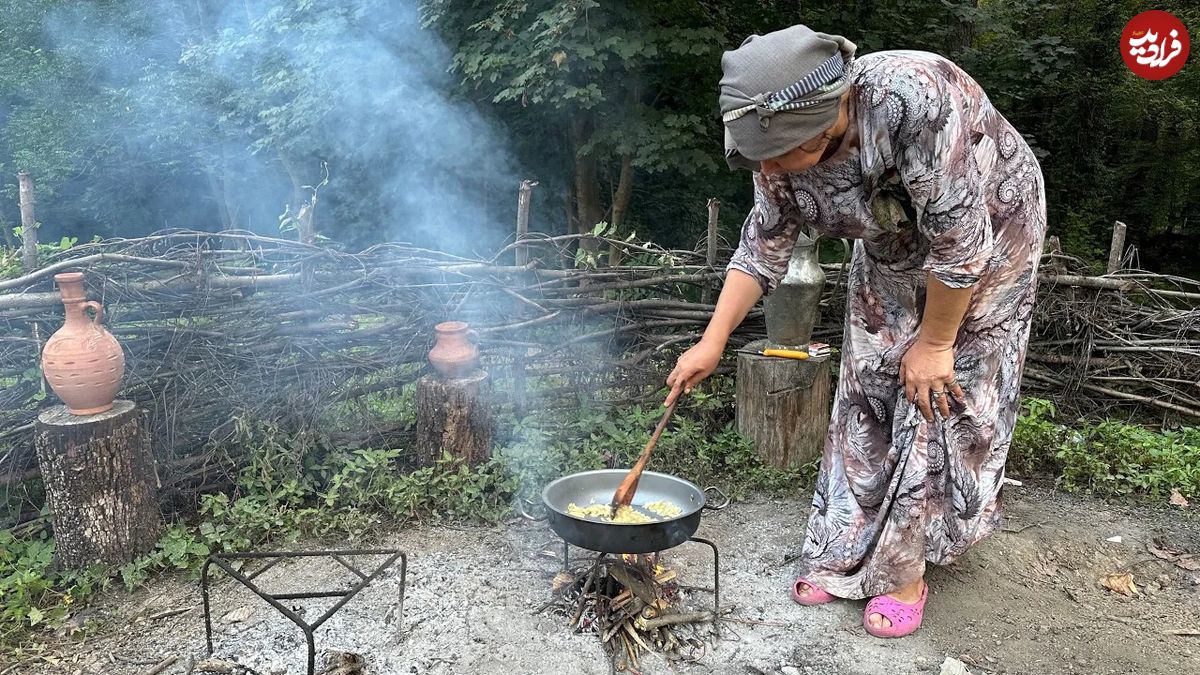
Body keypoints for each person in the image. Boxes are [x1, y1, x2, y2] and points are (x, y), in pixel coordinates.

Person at [665, 25, 1046, 638]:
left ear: (827, 114)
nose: (770, 166)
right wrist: (711, 341)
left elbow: (958, 242)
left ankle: (904, 570)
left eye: (784, 149)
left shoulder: (910, 101)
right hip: (892, 241)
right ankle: (845, 546)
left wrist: (936, 342)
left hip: (991, 228)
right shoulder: (774, 151)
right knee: (869, 377)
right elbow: (763, 245)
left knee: (935, 386)